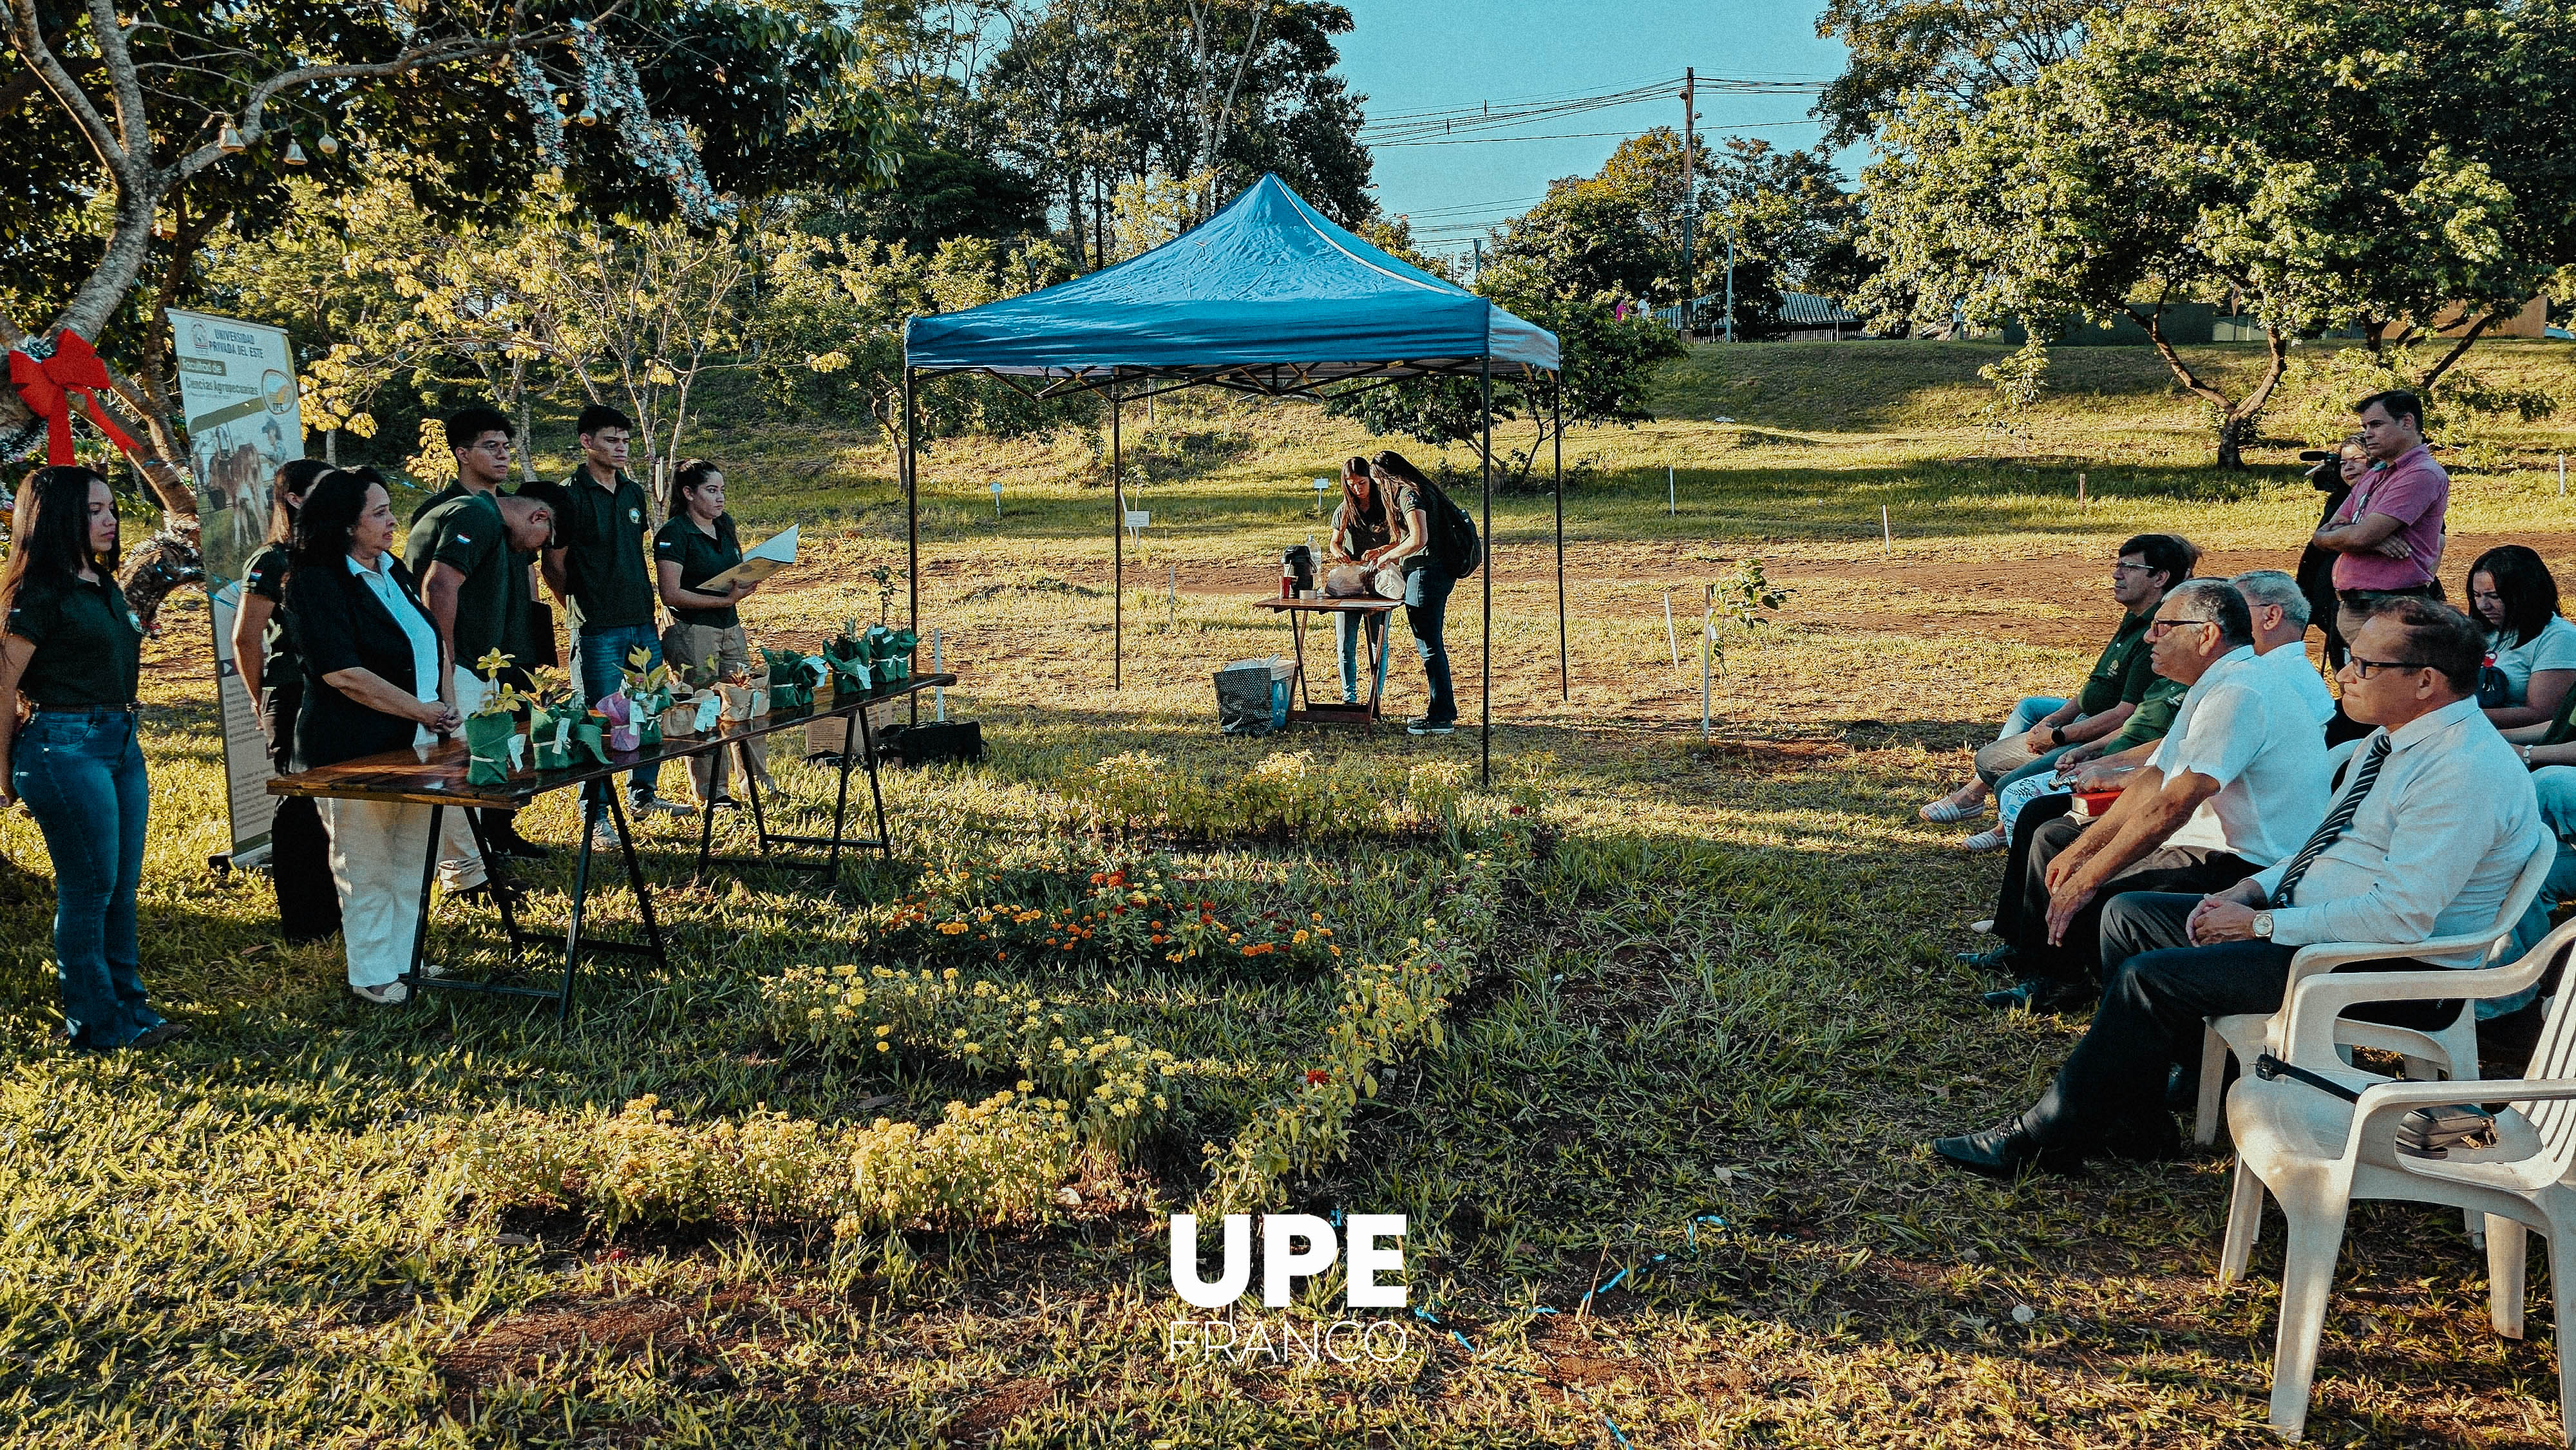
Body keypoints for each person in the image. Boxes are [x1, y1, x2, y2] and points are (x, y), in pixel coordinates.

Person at [1933, 598, 2545, 1174]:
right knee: (2129, 916)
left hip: (2386, 967)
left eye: (2364, 663)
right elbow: (2324, 849)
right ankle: (2142, 1117)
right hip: (2321, 928)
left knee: (2153, 979)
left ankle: (2048, 1138)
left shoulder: (2462, 771)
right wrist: (2252, 892)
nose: (2345, 675)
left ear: (2426, 682)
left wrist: (2261, 925)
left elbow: (2401, 919)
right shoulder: (2389, 743)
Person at [1976, 579, 2331, 1013]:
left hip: (2249, 863)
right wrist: (2083, 848)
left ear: (2207, 635)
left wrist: (2088, 878)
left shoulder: (2240, 692)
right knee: (2059, 842)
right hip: (2212, 845)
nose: (2148, 638)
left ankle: (2090, 988)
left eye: (2163, 627)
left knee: (2100, 889)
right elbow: (2156, 778)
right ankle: (2057, 975)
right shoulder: (2217, 681)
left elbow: (2173, 805)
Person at [282, 468, 485, 1004]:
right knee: (365, 861)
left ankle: (404, 958)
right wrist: (422, 709)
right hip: (354, 748)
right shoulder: (314, 581)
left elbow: (434, 638)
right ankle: (372, 973)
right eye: (379, 513)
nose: (393, 520)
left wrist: (445, 703)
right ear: (345, 524)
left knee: (411, 855)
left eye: (389, 509)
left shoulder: (390, 568)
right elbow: (342, 673)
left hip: (418, 742)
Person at [0, 466, 180, 1050]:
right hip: (64, 746)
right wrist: (1, 770)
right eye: (94, 511)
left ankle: (133, 1011)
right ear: (56, 519)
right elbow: (3, 687)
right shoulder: (37, 591)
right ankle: (96, 1024)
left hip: (121, 742)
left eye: (110, 508)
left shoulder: (99, 582)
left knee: (121, 889)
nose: (110, 520)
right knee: (90, 890)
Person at [1920, 534, 2193, 826]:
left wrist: (2062, 737)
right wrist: (2052, 722)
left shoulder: (2155, 633)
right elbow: (2095, 687)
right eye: (2118, 565)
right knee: (2030, 709)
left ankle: (1998, 817)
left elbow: (2127, 717)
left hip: (2105, 730)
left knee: (2000, 774)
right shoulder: (2135, 617)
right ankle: (1977, 796)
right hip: (2094, 720)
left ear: (2160, 577)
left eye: (2128, 567)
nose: (2116, 573)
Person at [409, 405, 553, 862]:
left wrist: (534, 640)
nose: (503, 456)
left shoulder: (509, 509)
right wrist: (446, 658)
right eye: (491, 447)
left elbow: (527, 576)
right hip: (465, 654)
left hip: (509, 648)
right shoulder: (452, 510)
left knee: (508, 743)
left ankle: (501, 831)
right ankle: (466, 856)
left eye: (507, 447)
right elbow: (437, 586)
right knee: (464, 753)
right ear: (462, 453)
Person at [543, 404, 680, 827]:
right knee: (599, 717)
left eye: (625, 440)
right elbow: (553, 563)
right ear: (587, 442)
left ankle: (644, 795)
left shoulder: (633, 492)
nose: (621, 448)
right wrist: (581, 604)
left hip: (641, 618)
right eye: (610, 440)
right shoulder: (569, 496)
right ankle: (596, 814)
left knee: (647, 706)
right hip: (596, 626)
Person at [234, 457, 341, 943]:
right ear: (295, 498)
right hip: (292, 692)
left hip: (336, 691)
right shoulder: (271, 560)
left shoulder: (334, 553)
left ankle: (341, 909)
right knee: (299, 806)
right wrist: (261, 700)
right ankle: (305, 922)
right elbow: (245, 638)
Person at [654, 459, 772, 807]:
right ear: (689, 493)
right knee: (704, 707)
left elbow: (729, 571)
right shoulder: (675, 533)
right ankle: (712, 790)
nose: (720, 499)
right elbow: (671, 593)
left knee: (745, 701)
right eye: (711, 490)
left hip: (729, 625)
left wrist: (743, 583)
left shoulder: (724, 525)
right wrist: (722, 600)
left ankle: (756, 781)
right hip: (692, 630)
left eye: (722, 490)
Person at [1361, 450, 1473, 737]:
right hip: (1434, 572)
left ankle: (1440, 716)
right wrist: (1386, 549)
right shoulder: (1420, 489)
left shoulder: (1408, 494)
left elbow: (1419, 538)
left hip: (1426, 574)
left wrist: (1388, 558)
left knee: (1430, 645)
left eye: (1377, 482)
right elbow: (1406, 538)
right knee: (1432, 644)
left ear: (1386, 478)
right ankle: (1442, 711)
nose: (1378, 489)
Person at [2312, 390, 2447, 603]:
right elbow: (2320, 537)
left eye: (2376, 425)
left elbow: (2357, 537)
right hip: (2357, 603)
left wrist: (2360, 538)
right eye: (2365, 427)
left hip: (2392, 604)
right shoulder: (2375, 473)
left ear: (2407, 422)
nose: (2367, 434)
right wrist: (2372, 541)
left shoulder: (2421, 473)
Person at [2465, 544, 2576, 730]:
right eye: (2477, 595)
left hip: (2517, 743)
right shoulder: (2482, 629)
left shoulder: (2558, 638)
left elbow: (2543, 715)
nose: (2483, 606)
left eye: (2494, 596)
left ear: (2526, 594)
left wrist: (2456, 717)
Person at [2297, 438, 2370, 670]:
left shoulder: (2392, 497)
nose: (2348, 467)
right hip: (2333, 601)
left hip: (2368, 601)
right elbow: (2321, 542)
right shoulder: (2340, 498)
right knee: (2345, 671)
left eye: (2358, 459)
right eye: (2343, 462)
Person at [1325, 455, 1392, 706]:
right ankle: (1349, 698)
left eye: (1362, 483)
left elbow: (1401, 540)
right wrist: (1337, 551)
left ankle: (1375, 697)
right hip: (1350, 582)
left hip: (1380, 581)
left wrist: (1383, 551)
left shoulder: (1385, 506)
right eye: (1351, 484)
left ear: (1371, 481)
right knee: (1346, 643)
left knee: (1378, 643)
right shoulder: (1344, 509)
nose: (1357, 489)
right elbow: (1335, 541)